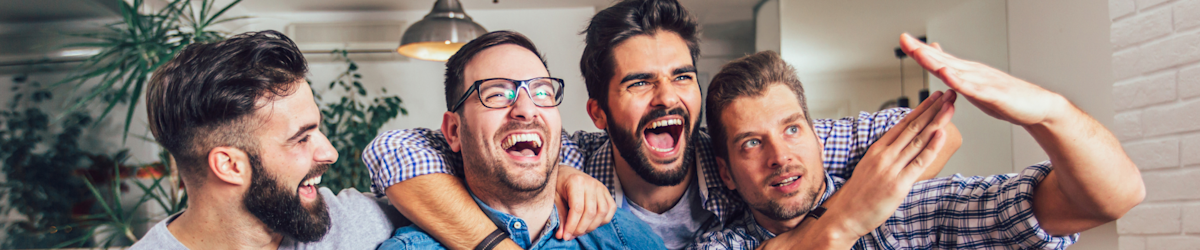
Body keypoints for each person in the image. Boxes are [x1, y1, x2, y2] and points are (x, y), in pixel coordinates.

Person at [362, 0, 961, 249]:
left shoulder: (750, 148)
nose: (666, 98)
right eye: (638, 83)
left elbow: (941, 132)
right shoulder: (574, 157)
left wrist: (841, 216)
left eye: (680, 77)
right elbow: (394, 149)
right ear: (597, 111)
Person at [692, 36, 1145, 249]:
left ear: (816, 135)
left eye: (793, 129)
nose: (780, 156)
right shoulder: (718, 245)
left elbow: (1108, 200)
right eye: (751, 143)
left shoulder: (909, 211)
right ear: (727, 172)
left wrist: (1054, 113)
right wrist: (846, 219)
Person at [377, 30, 663, 250]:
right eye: (496, 93)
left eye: (541, 93)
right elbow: (388, 149)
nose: (526, 110)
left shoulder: (626, 238)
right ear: (453, 132)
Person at [132, 30, 395, 249]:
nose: (330, 153)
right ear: (230, 165)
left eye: (318, 129)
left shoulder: (351, 222)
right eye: (301, 138)